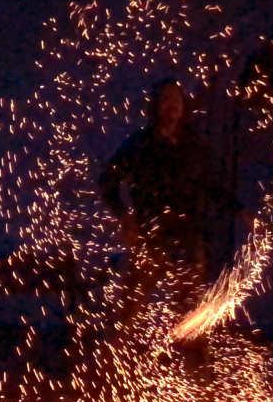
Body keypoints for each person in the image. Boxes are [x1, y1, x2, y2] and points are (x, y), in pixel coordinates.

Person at [100, 79, 238, 305]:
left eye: (176, 99)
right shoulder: (140, 145)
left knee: (189, 305)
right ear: (155, 105)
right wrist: (125, 217)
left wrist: (240, 210)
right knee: (131, 303)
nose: (172, 105)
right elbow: (107, 181)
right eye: (166, 99)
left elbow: (212, 186)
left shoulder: (194, 147)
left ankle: (185, 340)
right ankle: (116, 340)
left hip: (188, 235)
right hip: (150, 232)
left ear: (184, 106)